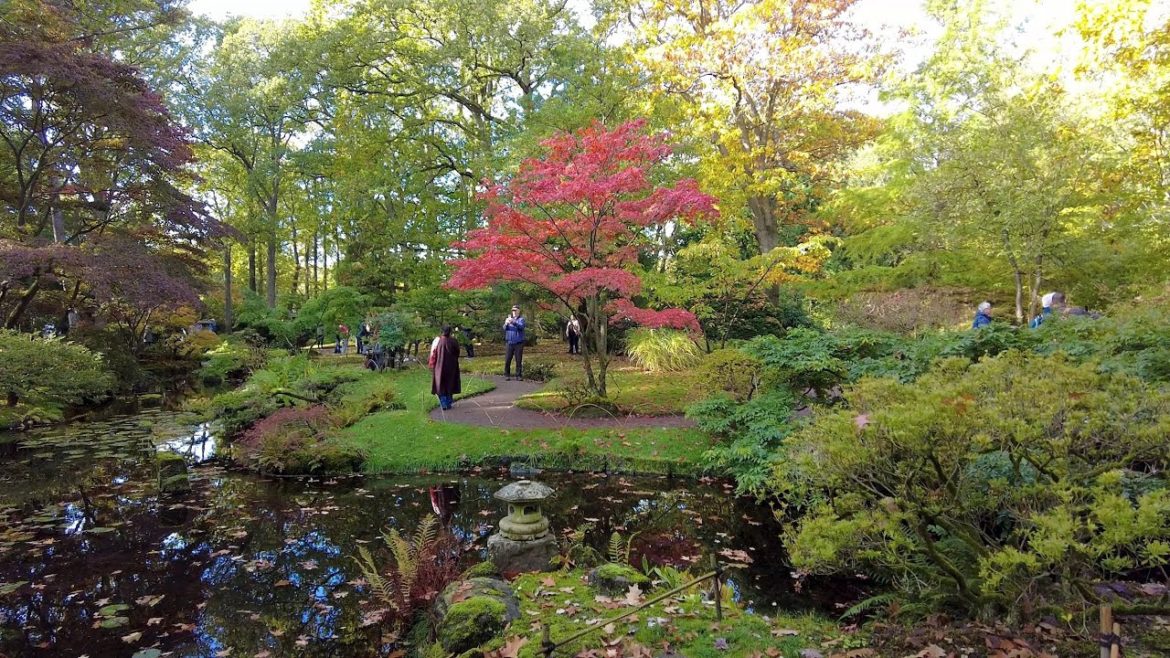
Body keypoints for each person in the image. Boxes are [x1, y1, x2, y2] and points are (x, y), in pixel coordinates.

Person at [430, 325, 461, 410]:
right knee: (450, 383)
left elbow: (433, 354)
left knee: (440, 384)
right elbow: (457, 353)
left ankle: (443, 403)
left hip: (439, 367)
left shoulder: (437, 341)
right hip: (451, 366)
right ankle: (448, 402)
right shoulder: (453, 341)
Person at [503, 305, 526, 381]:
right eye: (513, 310)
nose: (514, 312)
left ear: (519, 311)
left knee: (518, 360)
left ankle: (518, 375)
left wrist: (514, 322)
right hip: (509, 342)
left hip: (518, 343)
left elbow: (521, 327)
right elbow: (504, 328)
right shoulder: (508, 319)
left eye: (515, 310)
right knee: (507, 359)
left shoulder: (521, 319)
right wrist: (506, 323)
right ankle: (507, 374)